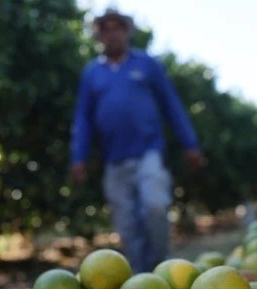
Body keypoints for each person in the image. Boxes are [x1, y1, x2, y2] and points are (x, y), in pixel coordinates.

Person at [70, 8, 204, 273]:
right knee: (127, 226)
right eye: (106, 29)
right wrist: (78, 157)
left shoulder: (146, 64)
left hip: (148, 152)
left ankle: (161, 266)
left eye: (117, 27)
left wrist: (190, 144)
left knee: (155, 206)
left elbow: (171, 105)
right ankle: (141, 278)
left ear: (127, 31)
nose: (112, 34)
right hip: (114, 160)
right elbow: (83, 118)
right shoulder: (92, 73)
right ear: (99, 36)